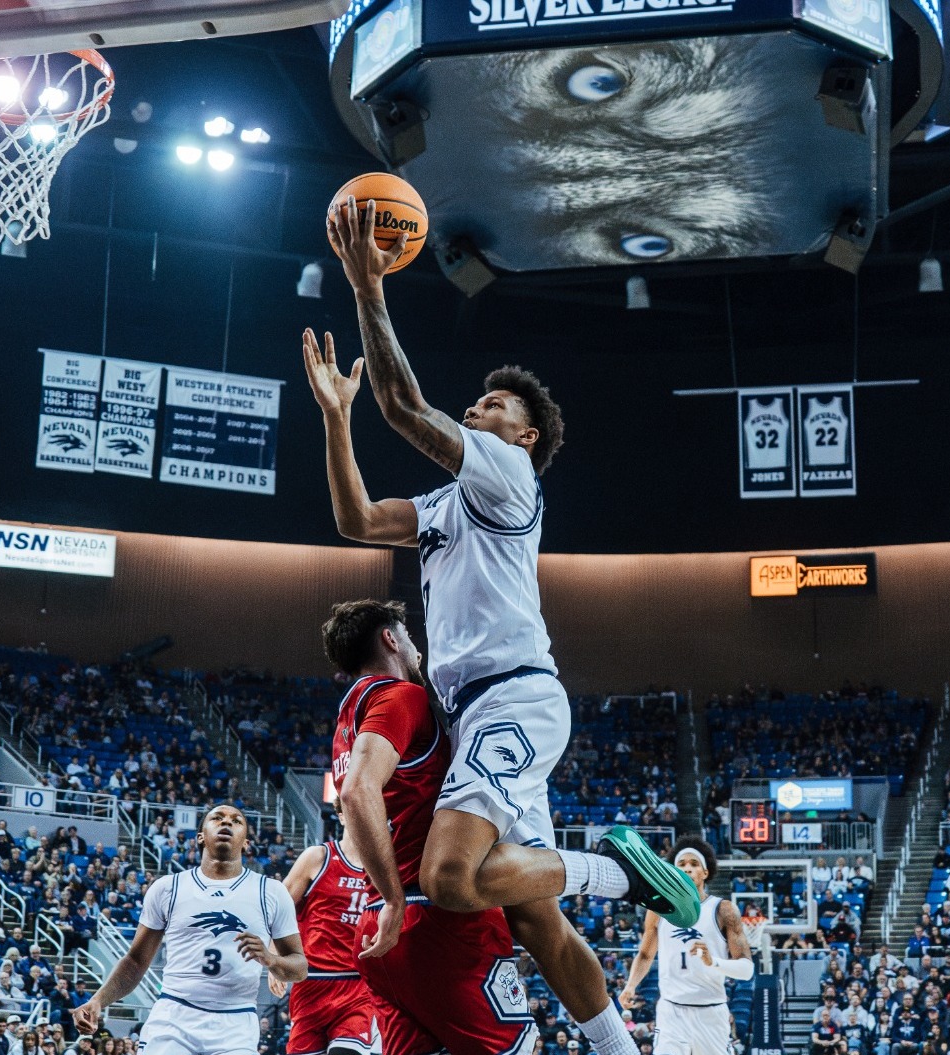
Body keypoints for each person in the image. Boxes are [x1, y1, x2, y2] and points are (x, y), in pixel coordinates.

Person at [312, 200, 697, 1055]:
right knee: (529, 916)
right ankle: (616, 1047)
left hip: (510, 700)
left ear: (522, 434)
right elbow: (357, 520)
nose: (476, 408)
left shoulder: (507, 473)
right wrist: (336, 420)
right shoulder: (453, 500)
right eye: (478, 402)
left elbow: (407, 407)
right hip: (478, 713)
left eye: (490, 403)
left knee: (449, 878)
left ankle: (616, 870)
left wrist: (369, 288)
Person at [318, 599, 527, 1055]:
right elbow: (357, 792)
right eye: (409, 637)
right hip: (434, 915)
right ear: (390, 639)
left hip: (379, 929)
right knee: (518, 1048)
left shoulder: (346, 723)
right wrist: (396, 898)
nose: (416, 649)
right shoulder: (401, 696)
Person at [72, 804, 306, 1055]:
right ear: (200, 837)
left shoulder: (271, 891)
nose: (226, 823)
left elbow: (299, 967)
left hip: (236, 1022)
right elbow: (136, 961)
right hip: (174, 1015)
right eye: (217, 818)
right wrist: (98, 1000)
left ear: (246, 843)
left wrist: (270, 959)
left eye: (236, 821)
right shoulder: (167, 888)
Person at [617, 839, 753, 1055]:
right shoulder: (658, 909)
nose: (687, 868)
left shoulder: (723, 909)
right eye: (681, 864)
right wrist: (631, 985)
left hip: (711, 1012)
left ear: (705, 872)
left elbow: (747, 970)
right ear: (673, 871)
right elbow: (644, 954)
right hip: (672, 1012)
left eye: (694, 864)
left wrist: (713, 962)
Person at [278, 836, 374, 1055]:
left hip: (357, 984)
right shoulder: (318, 857)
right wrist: (276, 956)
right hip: (313, 981)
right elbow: (278, 910)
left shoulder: (385, 864)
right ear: (341, 815)